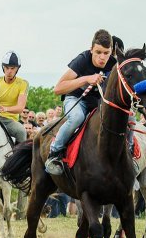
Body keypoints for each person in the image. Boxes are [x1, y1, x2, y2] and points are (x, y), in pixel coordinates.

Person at [45, 30, 117, 175]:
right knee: (77, 117)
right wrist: (86, 79)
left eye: (106, 53)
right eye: (98, 52)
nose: (102, 57)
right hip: (77, 99)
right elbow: (58, 88)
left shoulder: (114, 64)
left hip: (99, 103)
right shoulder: (82, 59)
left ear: (111, 52)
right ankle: (54, 153)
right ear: (91, 49)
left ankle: (127, 157)